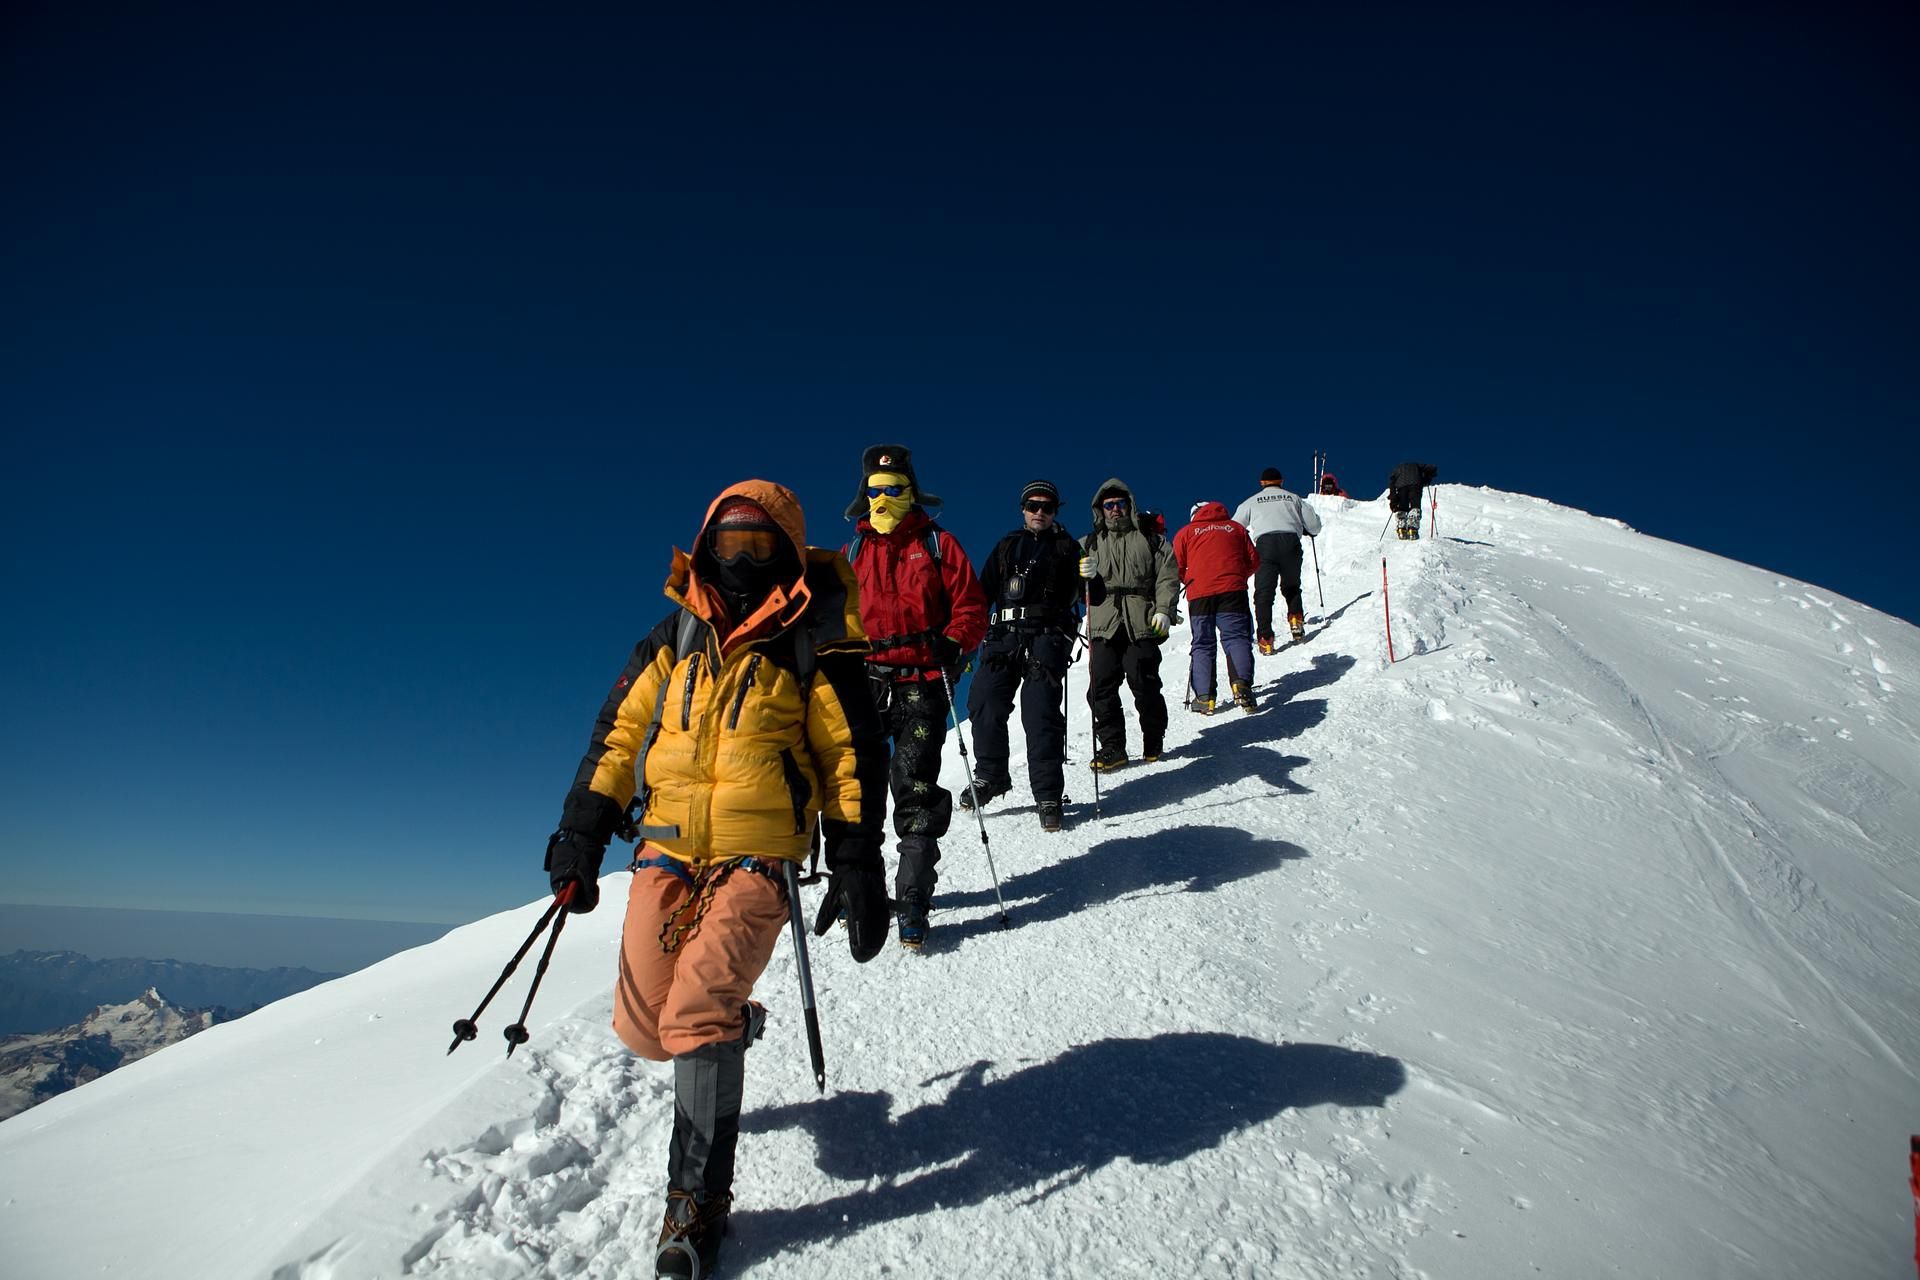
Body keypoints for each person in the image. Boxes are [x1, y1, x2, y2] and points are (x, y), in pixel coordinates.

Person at [542, 480, 890, 1280]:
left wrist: (856, 856)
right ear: (705, 549)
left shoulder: (812, 639)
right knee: (644, 1030)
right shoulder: (673, 637)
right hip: (665, 848)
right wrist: (581, 833)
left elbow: (848, 755)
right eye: (729, 546)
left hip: (757, 852)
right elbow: (618, 738)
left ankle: (695, 1209)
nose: (741, 562)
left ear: (790, 555)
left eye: (759, 547)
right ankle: (732, 1021)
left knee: (695, 1013)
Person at [840, 444, 988, 949]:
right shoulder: (852, 553)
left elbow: (971, 606)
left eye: (894, 489)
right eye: (875, 491)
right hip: (865, 681)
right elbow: (834, 620)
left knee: (914, 781)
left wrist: (954, 640)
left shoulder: (939, 545)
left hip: (923, 681)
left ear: (910, 492)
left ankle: (913, 898)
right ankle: (861, 889)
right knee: (856, 788)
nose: (884, 498)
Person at [963, 479, 1084, 831]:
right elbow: (980, 594)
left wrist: (1093, 578)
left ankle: (1047, 793)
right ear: (1023, 508)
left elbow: (1093, 592)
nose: (1040, 512)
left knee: (1040, 712)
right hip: (1003, 636)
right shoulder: (1006, 546)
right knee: (984, 702)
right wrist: (964, 638)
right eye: (1034, 505)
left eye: (1047, 507)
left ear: (1055, 511)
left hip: (1046, 637)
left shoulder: (1067, 548)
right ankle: (991, 775)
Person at [1078, 478, 1180, 770]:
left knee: (1143, 680)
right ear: (1100, 509)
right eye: (1108, 505)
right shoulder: (1089, 544)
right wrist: (1079, 574)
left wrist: (1164, 610)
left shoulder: (1150, 539)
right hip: (1103, 620)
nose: (1114, 510)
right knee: (1100, 685)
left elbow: (1167, 576)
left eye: (1119, 504)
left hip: (1142, 618)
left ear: (1129, 505)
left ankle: (1153, 735)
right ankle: (1113, 747)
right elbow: (1068, 582)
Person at [1172, 501, 1259, 714]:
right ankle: (1241, 686)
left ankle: (1204, 698)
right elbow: (1254, 560)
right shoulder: (1236, 528)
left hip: (1200, 595)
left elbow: (1175, 566)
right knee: (1236, 637)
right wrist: (1237, 576)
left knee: (1203, 643)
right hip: (1233, 592)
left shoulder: (1185, 533)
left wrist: (1191, 580)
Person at [1232, 467, 1323, 653]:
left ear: (1262, 483)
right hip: (1290, 542)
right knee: (1291, 585)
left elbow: (1235, 527)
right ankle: (1296, 618)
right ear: (1281, 481)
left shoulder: (1252, 501)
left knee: (1264, 593)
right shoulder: (1294, 498)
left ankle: (1265, 638)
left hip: (1265, 545)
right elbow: (1314, 526)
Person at [1389, 461, 1439, 539]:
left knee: (1402, 506)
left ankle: (1401, 528)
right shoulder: (1418, 465)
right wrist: (1426, 478)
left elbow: (1392, 482)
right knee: (1415, 505)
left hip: (1401, 486)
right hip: (1416, 484)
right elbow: (1432, 468)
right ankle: (1412, 529)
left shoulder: (1397, 469)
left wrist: (1393, 499)